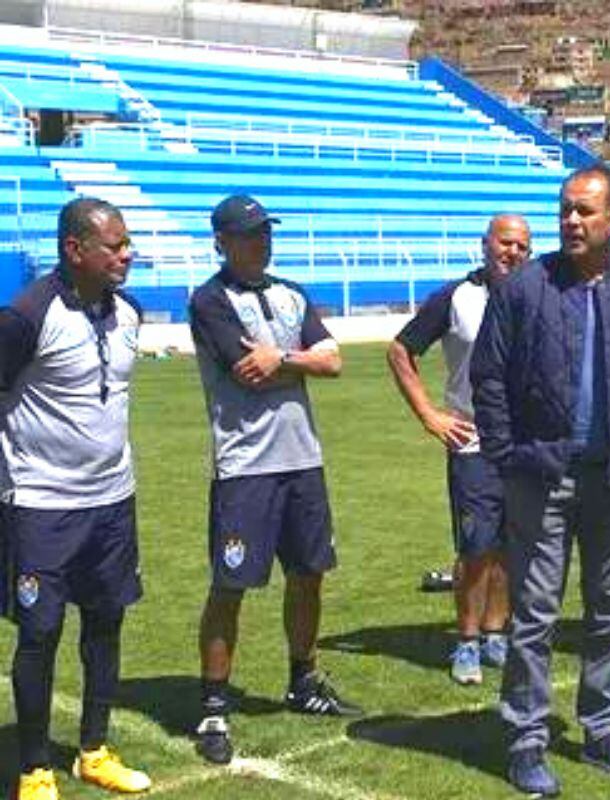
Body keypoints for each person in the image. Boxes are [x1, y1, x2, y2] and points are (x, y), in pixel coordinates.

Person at [471, 166, 610, 797]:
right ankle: (526, 740)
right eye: (565, 209)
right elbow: (490, 377)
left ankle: (602, 731)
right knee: (534, 616)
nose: (572, 220)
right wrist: (510, 453)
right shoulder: (524, 288)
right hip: (541, 476)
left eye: (585, 211)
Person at [189, 195, 360, 766]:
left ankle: (303, 680)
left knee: (309, 574)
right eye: (249, 235)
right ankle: (214, 703)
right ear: (222, 242)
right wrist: (301, 359)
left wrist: (284, 357)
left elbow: (332, 362)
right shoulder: (209, 300)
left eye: (265, 232)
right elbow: (252, 373)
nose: (262, 242)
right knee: (231, 584)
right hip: (245, 468)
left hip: (302, 461)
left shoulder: (290, 293)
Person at [0, 198, 152, 799]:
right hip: (40, 505)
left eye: (127, 243)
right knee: (39, 633)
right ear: (75, 250)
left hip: (114, 501)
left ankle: (93, 749)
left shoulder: (130, 314)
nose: (127, 254)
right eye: (114, 246)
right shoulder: (25, 316)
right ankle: (34, 767)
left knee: (106, 625)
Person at [388, 213, 531, 685]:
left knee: (511, 543)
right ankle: (466, 641)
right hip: (472, 439)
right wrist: (430, 415)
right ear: (485, 244)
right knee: (476, 545)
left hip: (524, 442)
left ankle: (496, 633)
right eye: (505, 243)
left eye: (522, 247)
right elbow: (400, 351)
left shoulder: (538, 294)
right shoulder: (456, 297)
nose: (513, 253)